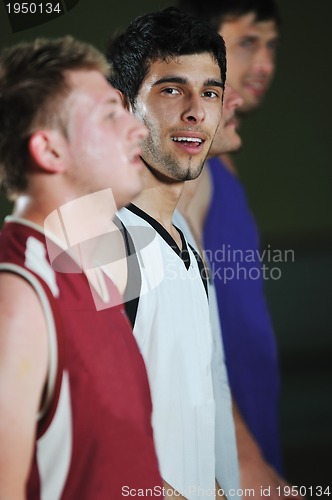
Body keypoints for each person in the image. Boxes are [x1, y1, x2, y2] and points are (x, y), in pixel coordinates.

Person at [0, 36, 163, 499]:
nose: (136, 128)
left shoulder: (91, 280)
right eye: (110, 115)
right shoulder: (18, 299)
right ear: (49, 151)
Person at [107, 7, 241, 500]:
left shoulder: (187, 253)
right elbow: (66, 429)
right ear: (123, 109)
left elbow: (185, 426)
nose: (195, 111)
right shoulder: (99, 241)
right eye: (171, 89)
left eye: (210, 91)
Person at [176, 0, 297, 498]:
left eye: (271, 46)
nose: (265, 63)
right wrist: (244, 460)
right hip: (222, 445)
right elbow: (180, 332)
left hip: (249, 411)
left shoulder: (223, 158)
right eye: (248, 42)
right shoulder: (186, 164)